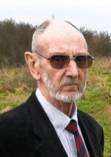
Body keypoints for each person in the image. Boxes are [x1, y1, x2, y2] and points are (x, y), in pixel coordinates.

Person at [0, 19, 104, 157]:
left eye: (81, 60)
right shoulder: (6, 135)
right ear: (34, 65)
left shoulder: (94, 130)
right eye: (58, 60)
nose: (73, 72)